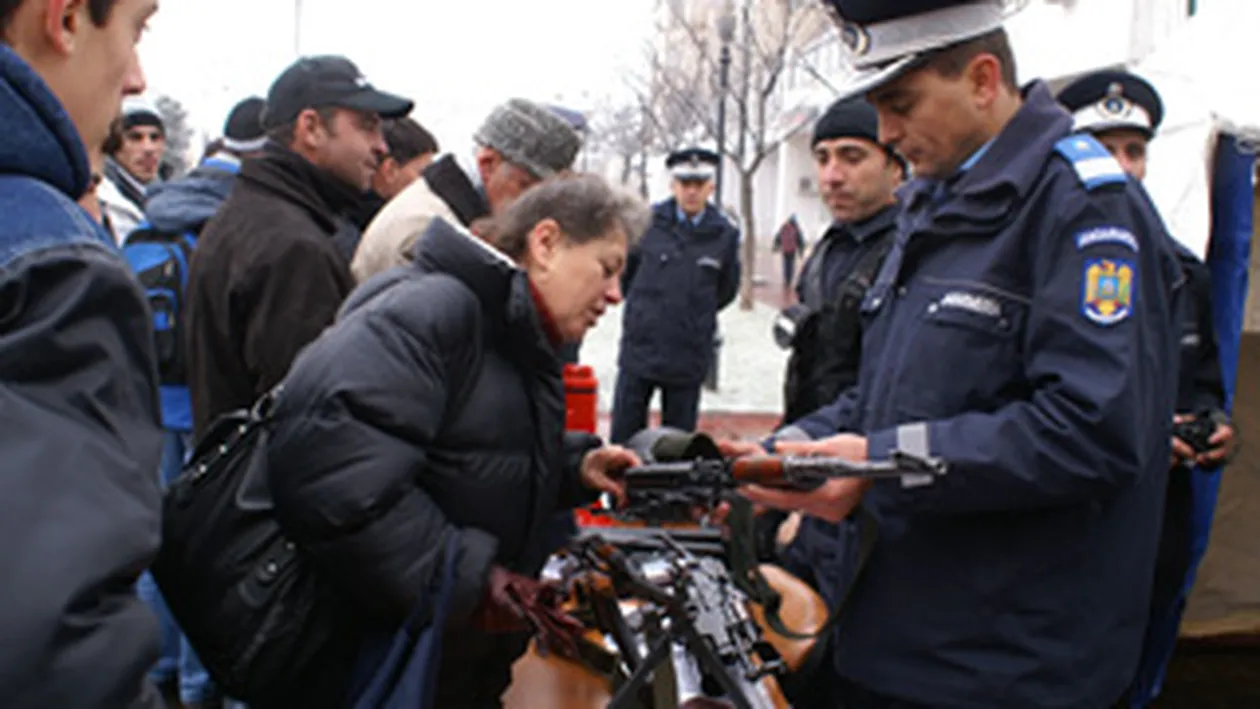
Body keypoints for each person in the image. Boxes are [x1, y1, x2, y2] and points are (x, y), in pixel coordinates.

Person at [722, 2, 1183, 707]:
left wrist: (880, 468)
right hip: (896, 638)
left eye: (901, 105)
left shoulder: (1085, 210)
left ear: (982, 78)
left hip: (1005, 668)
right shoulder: (933, 203)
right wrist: (801, 446)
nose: (886, 133)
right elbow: (894, 395)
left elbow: (1093, 427)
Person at [263, 174, 650, 709]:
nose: (614, 295)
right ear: (545, 243)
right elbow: (330, 469)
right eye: (607, 269)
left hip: (443, 660)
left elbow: (467, 453)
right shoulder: (436, 312)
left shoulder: (510, 330)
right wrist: (471, 579)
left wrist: (573, 467)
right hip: (383, 663)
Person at [0, 0, 165, 706]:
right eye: (137, 28)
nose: (135, 77)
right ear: (64, 19)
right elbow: (52, 650)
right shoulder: (50, 260)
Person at [1057, 69, 1236, 709]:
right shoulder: (1042, 260)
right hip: (1073, 521)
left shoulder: (1183, 270)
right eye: (1105, 149)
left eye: (1135, 150)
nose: (1125, 168)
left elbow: (1207, 379)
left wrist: (1211, 427)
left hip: (1157, 516)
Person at [184, 55, 412, 437]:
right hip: (270, 490)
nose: (381, 147)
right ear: (311, 128)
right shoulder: (293, 248)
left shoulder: (253, 214)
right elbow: (310, 424)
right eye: (367, 126)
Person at [131, 94, 266, 709]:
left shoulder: (166, 202)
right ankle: (198, 684)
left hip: (155, 395)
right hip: (209, 401)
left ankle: (161, 669)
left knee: (160, 544)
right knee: (209, 550)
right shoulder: (240, 210)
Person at [352, 98, 581, 282]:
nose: (535, 205)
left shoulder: (443, 218)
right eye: (526, 186)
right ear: (488, 164)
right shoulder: (426, 231)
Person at [777, 97, 903, 425]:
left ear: (895, 168)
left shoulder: (911, 250)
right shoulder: (829, 245)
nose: (832, 176)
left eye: (852, 157)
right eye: (822, 158)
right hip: (808, 439)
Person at [610, 147, 740, 444]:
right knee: (623, 439)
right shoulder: (647, 222)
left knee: (678, 446)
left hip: (687, 352)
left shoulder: (724, 234)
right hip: (641, 348)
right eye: (684, 184)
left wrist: (692, 313)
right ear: (673, 185)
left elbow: (726, 290)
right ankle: (623, 491)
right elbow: (627, 275)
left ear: (711, 187)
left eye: (699, 185)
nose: (691, 192)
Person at [348, 116, 439, 230]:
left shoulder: (344, 218)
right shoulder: (397, 227)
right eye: (423, 173)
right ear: (390, 171)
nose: (430, 183)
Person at [99, 95, 166, 242]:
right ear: (114, 145)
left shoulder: (168, 202)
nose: (148, 148)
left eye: (155, 138)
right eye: (135, 138)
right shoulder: (99, 202)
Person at [771, 214, 804, 296]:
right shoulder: (796, 229)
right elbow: (800, 241)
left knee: (785, 264)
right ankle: (789, 280)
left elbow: (778, 237)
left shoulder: (784, 227)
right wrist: (801, 251)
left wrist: (775, 246)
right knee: (791, 265)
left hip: (785, 249)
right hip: (792, 250)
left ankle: (786, 279)